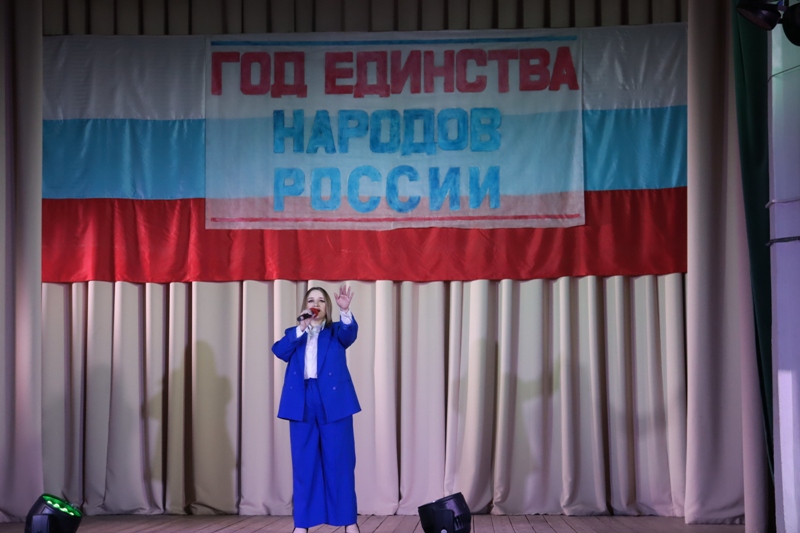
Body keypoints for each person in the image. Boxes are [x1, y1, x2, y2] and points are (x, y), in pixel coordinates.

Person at [272, 285, 360, 533]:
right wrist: (301, 328)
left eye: (321, 300)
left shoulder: (336, 331)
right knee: (304, 465)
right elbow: (279, 350)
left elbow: (349, 334)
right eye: (311, 300)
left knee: (340, 463)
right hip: (302, 401)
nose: (316, 304)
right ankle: (303, 524)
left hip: (334, 402)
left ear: (327, 307)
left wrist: (345, 311)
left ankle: (349, 522)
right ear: (305, 306)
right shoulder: (295, 334)